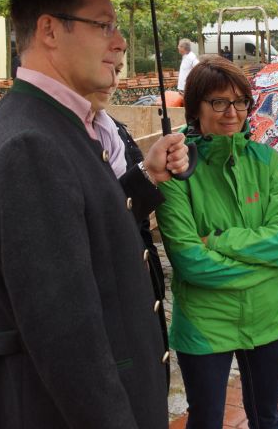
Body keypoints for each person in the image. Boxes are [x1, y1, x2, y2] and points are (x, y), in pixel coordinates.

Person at [0, 0, 188, 428]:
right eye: (104, 25)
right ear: (50, 30)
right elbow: (67, 340)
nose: (120, 42)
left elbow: (89, 232)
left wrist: (147, 176)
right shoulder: (31, 145)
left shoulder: (59, 124)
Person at [156, 57, 278, 429]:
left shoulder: (267, 161)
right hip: (205, 323)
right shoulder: (176, 171)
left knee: (266, 418)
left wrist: (219, 240)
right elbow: (190, 262)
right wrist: (264, 269)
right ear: (196, 107)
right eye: (219, 102)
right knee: (206, 420)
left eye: (240, 101)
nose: (232, 112)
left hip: (269, 318)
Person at [85, 63, 171, 387]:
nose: (112, 78)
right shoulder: (60, 139)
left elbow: (135, 222)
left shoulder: (113, 130)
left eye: (118, 67)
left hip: (138, 291)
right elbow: (93, 227)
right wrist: (145, 175)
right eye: (104, 64)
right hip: (107, 306)